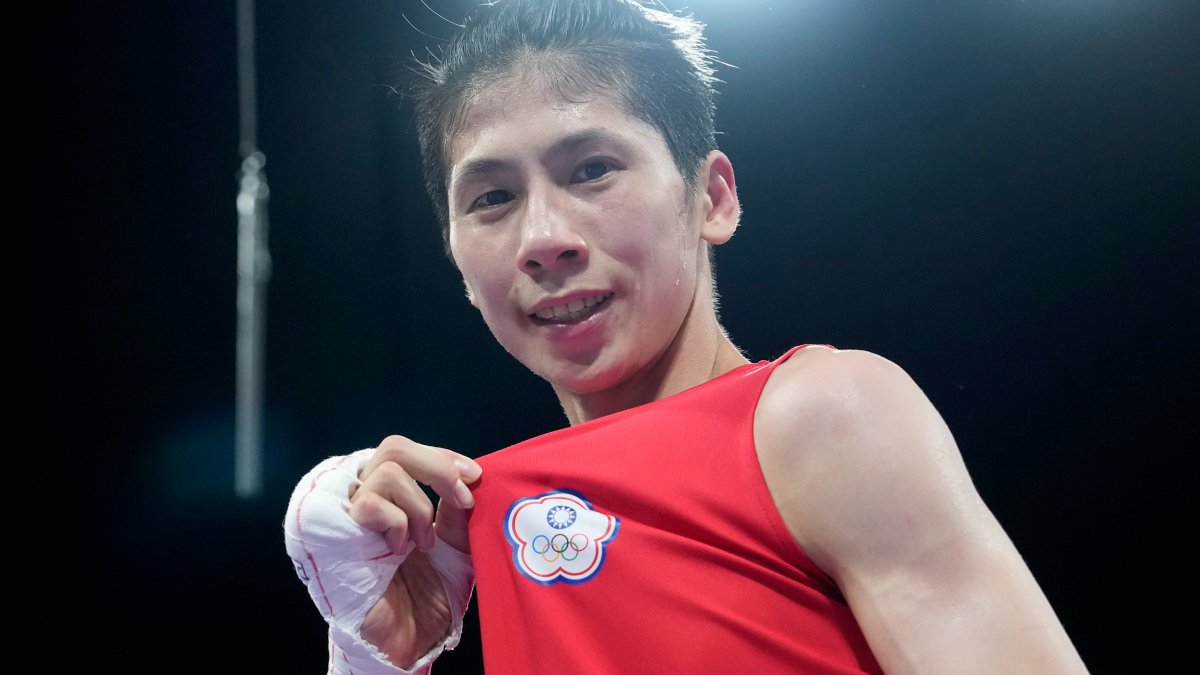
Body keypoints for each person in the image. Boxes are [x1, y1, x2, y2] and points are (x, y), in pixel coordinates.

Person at [284, 1, 1090, 673]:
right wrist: (378, 655)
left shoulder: (823, 417)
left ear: (711, 197)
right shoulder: (503, 529)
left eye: (592, 169)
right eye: (492, 196)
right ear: (457, 258)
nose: (542, 236)